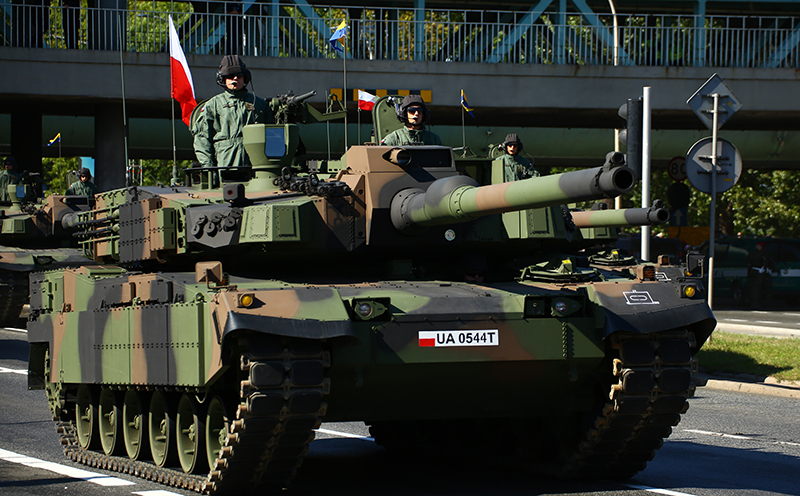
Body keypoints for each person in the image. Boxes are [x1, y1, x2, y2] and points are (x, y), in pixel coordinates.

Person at [192, 55, 269, 169]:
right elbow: (202, 138)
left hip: (255, 164)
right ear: (222, 79)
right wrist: (208, 167)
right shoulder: (213, 105)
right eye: (230, 76)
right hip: (224, 163)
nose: (235, 79)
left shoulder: (259, 104)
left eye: (239, 76)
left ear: (246, 78)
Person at [745, 241, 773, 309]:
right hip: (757, 272)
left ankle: (764, 303)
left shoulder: (764, 254)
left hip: (763, 272)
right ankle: (755, 303)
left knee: (763, 289)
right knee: (756, 289)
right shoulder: (755, 254)